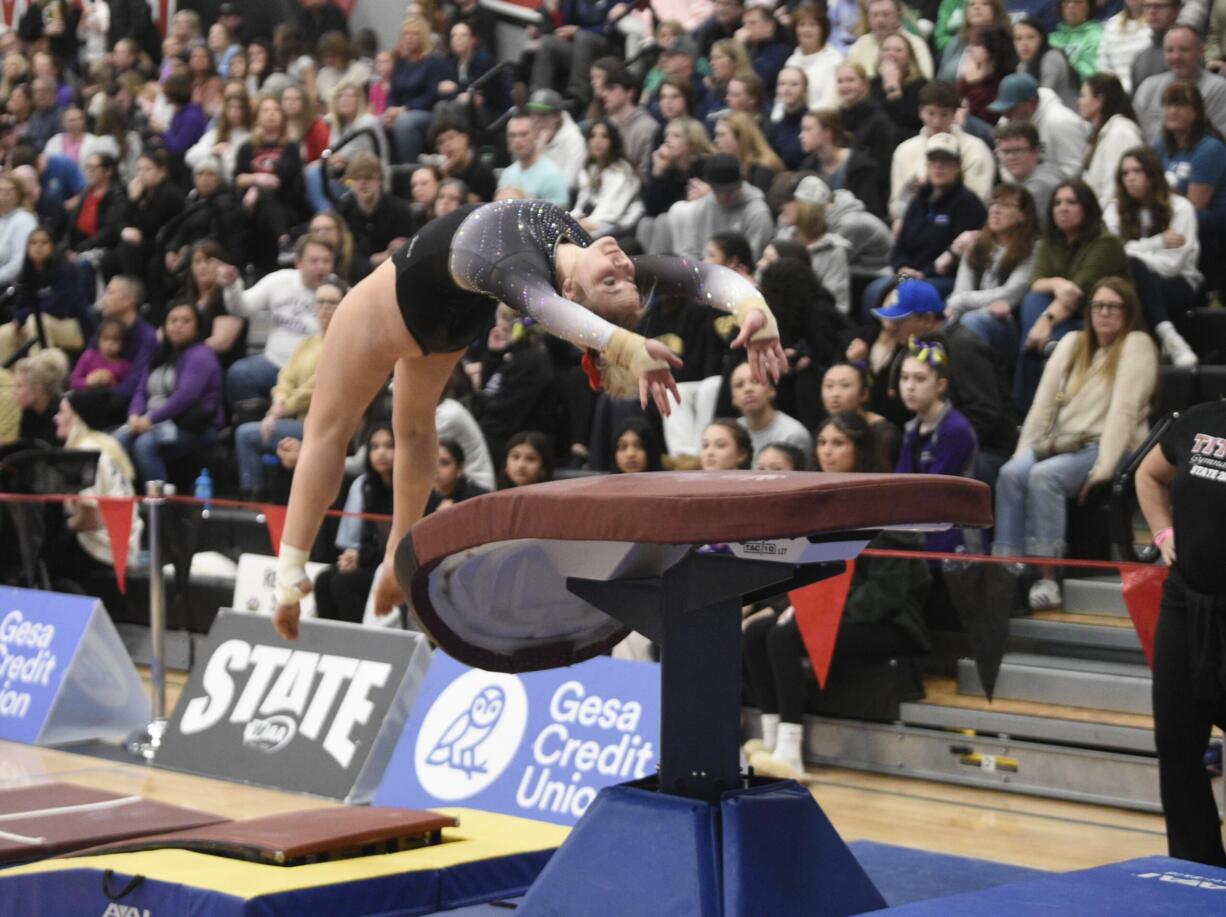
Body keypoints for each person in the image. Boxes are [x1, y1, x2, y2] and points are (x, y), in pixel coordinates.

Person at [271, 200, 785, 639]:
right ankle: (391, 556)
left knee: (330, 430)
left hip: (392, 309)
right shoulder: (595, 260)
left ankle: (294, 568)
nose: (623, 264)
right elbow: (702, 276)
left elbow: (548, 309)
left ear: (575, 295)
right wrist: (755, 308)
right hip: (450, 311)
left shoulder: (526, 275)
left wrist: (623, 346)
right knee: (413, 427)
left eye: (614, 279)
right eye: (625, 274)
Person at [744, 411, 930, 779]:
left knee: (785, 635)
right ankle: (768, 739)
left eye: (839, 443)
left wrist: (816, 613)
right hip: (834, 610)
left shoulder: (885, 501)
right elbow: (804, 572)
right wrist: (787, 606)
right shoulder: (817, 500)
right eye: (824, 442)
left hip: (887, 620)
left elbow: (884, 595)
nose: (827, 452)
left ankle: (791, 751)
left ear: (860, 450)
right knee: (754, 633)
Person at [996, 277, 1158, 609]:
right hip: (1061, 442)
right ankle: (1005, 570)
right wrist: (1021, 452)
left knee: (1045, 477)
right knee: (1010, 473)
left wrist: (1104, 469)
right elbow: (1042, 407)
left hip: (1107, 445)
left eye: (1114, 307)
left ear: (1128, 312)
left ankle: (1048, 578)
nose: (1104, 313)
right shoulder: (1072, 343)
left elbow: (1123, 413)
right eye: (1098, 306)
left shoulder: (1137, 344)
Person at [1136, 396, 1226, 867]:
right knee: (1176, 743)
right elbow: (1148, 475)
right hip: (1185, 605)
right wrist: (1164, 533)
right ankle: (1199, 867)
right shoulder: (1198, 421)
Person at [1015, 179, 1129, 410]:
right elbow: (1035, 282)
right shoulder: (1051, 240)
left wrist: (1044, 322)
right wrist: (1057, 283)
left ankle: (1028, 403)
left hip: (1098, 316)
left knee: (1037, 317)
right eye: (1057, 203)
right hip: (1063, 317)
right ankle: (1044, 354)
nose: (1062, 208)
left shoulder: (1106, 243)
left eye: (1071, 202)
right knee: (1034, 299)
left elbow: (1076, 292)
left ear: (1087, 207)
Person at [234, 277, 343, 499]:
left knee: (246, 436)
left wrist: (283, 409)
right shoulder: (307, 343)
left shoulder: (345, 344)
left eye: (332, 302)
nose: (325, 308)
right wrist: (279, 403)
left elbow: (319, 386)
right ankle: (257, 504)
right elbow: (286, 378)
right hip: (297, 420)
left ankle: (255, 504)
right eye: (320, 302)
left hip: (324, 426)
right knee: (247, 432)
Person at [865, 133, 989, 317]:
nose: (939, 166)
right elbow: (900, 246)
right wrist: (902, 267)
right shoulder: (918, 200)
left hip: (944, 278)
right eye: (933, 160)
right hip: (909, 274)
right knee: (874, 290)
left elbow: (962, 257)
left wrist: (924, 273)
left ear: (957, 166)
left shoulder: (968, 203)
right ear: (927, 164)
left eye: (946, 160)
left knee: (904, 295)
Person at [45, 390, 143, 619]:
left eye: (62, 412)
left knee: (42, 556)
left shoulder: (84, 451)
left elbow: (93, 517)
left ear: (77, 418)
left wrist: (64, 529)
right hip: (124, 543)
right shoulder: (104, 444)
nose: (56, 418)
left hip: (105, 547)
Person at [1104, 147, 1201, 367]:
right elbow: (1110, 253)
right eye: (1125, 173)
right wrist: (1157, 243)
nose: (1130, 178)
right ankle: (1168, 338)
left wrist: (1131, 251)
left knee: (1135, 273)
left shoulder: (1181, 208)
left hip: (1179, 283)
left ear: (1153, 173)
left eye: (1137, 171)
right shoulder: (1114, 209)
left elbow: (1171, 266)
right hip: (1130, 282)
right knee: (1132, 275)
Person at [221, 234, 335, 409]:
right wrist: (232, 287)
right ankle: (255, 419)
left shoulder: (337, 292)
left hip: (309, 371)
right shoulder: (279, 280)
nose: (321, 267)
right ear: (298, 262)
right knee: (238, 374)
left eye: (326, 261)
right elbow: (242, 309)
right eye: (314, 261)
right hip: (273, 362)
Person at [114, 303, 224, 483]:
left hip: (192, 425)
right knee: (119, 439)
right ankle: (124, 497)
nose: (178, 325)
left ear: (197, 326)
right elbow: (141, 390)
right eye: (173, 320)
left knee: (145, 444)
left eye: (186, 321)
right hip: (155, 421)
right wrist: (134, 415)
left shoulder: (201, 355)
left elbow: (184, 398)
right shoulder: (160, 353)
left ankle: (159, 505)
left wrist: (149, 420)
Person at [894, 335, 978, 551]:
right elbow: (899, 484)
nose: (909, 387)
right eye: (904, 378)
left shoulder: (955, 429)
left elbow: (932, 492)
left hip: (954, 542)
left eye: (919, 379)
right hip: (920, 532)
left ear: (940, 385)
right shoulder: (912, 428)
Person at [950, 184, 1040, 361]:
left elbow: (1010, 295)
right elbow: (959, 291)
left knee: (970, 322)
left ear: (1023, 215)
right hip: (972, 314)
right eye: (993, 204)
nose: (996, 210)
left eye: (1005, 205)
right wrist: (958, 304)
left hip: (1010, 326)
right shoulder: (976, 246)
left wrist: (960, 302)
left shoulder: (1033, 249)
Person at [316, 423, 395, 624]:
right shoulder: (364, 486)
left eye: (389, 446)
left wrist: (361, 556)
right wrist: (352, 555)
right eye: (375, 447)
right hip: (370, 560)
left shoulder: (410, 487)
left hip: (393, 566)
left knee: (343, 583)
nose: (381, 453)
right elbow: (358, 540)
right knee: (324, 580)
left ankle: (356, 643)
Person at [1154, 79, 1226, 293]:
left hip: (1209, 228)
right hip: (1171, 214)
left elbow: (1194, 206)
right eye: (1168, 105)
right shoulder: (1162, 146)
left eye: (1181, 105)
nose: (1172, 111)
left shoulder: (1210, 148)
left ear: (1197, 111)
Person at [889, 80, 994, 221]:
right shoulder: (904, 151)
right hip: (916, 224)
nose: (937, 121)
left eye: (944, 114)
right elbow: (896, 207)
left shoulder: (975, 148)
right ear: (920, 112)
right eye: (931, 113)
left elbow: (979, 200)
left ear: (954, 114)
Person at [0, 227, 85, 364]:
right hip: (37, 321)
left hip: (73, 325)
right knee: (5, 333)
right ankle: (7, 382)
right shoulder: (27, 272)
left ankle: (41, 375)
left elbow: (60, 307)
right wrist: (20, 319)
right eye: (33, 243)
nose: (38, 246)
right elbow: (21, 303)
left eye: (44, 242)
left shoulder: (65, 269)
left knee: (36, 322)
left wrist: (23, 317)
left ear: (53, 246)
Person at [1133, 24, 1226, 143]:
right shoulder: (1148, 87)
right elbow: (1134, 134)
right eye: (1170, 50)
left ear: (1201, 51)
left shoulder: (1218, 89)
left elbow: (1219, 141)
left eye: (1184, 49)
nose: (1176, 57)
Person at [989, 72, 1091, 181]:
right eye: (1004, 110)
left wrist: (1040, 185)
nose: (1006, 115)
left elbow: (1075, 168)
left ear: (1031, 102)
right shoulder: (1007, 121)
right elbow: (1003, 165)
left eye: (1011, 109)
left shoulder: (1060, 121)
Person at [798, 109, 885, 220]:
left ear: (827, 133)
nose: (801, 136)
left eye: (808, 129)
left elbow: (870, 211)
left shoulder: (861, 167)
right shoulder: (807, 167)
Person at [1078, 73, 1145, 208]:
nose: (1079, 102)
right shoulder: (1105, 133)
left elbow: (1113, 189)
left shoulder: (1120, 133)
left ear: (1099, 100)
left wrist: (1099, 224)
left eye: (1083, 96)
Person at [571, 118, 644, 238]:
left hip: (618, 229)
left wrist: (575, 225)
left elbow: (609, 215)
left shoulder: (623, 172)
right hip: (592, 224)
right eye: (593, 136)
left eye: (604, 136)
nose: (597, 141)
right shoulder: (590, 169)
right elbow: (580, 208)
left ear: (613, 142)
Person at [730, 359, 813, 463]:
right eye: (739, 385)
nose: (748, 389)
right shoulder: (731, 433)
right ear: (733, 399)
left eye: (756, 381)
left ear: (772, 390)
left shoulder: (793, 434)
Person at [821, 361, 902, 466]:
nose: (835, 394)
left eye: (845, 385)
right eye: (829, 386)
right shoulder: (826, 428)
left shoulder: (883, 434)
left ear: (864, 394)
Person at [993, 121, 1064, 222]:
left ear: (1036, 151)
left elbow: (1014, 225)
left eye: (1018, 151)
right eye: (1005, 152)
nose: (1011, 157)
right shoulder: (1025, 175)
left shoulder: (1041, 184)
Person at [496, 113, 570, 207]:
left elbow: (559, 217)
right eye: (512, 135)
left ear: (536, 135)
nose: (517, 140)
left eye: (524, 134)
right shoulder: (507, 174)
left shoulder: (552, 174)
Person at [783, 3, 844, 110]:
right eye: (802, 25)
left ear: (822, 30)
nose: (806, 30)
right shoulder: (791, 62)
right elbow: (781, 101)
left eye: (813, 25)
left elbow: (831, 102)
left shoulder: (835, 60)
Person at [1013, 17, 1078, 109]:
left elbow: (1043, 98)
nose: (1024, 43)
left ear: (1042, 39)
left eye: (1031, 37)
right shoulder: (1022, 66)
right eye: (1018, 39)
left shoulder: (1052, 58)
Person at [1096, 0, 1151, 92]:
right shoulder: (1111, 24)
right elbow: (1103, 64)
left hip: (1145, 89)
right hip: (1115, 92)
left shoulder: (1154, 24)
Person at [426, 437, 490, 512]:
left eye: (444, 463)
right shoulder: (426, 498)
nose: (436, 469)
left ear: (460, 468)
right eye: (432, 463)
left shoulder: (479, 498)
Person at [1049, 0, 1102, 81]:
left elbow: (1091, 74)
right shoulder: (1052, 38)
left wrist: (1064, 59)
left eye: (1078, 2)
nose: (1070, 5)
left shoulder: (1096, 36)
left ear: (1089, 7)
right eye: (1066, 1)